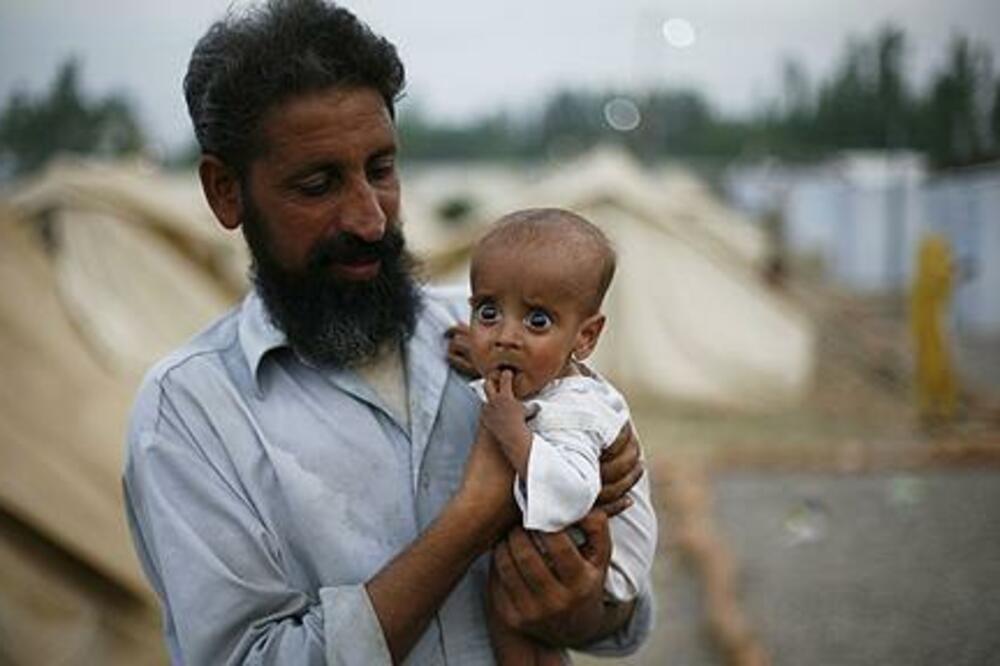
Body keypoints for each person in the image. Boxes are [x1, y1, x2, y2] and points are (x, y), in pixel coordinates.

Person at [122, 1, 653, 664]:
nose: (371, 219)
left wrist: (580, 608)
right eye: (319, 184)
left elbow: (620, 610)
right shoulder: (187, 415)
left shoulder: (491, 333)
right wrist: (469, 523)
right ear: (226, 191)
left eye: (381, 170)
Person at [462, 209, 657, 665]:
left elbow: (571, 493)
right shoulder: (545, 378)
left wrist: (511, 432)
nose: (505, 337)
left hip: (601, 564)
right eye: (487, 312)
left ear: (585, 337)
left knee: (502, 605)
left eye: (537, 322)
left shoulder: (575, 411)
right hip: (574, 549)